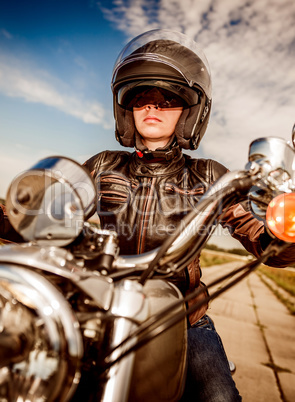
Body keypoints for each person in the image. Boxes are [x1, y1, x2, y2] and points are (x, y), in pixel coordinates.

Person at [0, 29, 294, 401]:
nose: (152, 107)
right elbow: (43, 219)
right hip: (103, 309)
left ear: (189, 111)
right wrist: (19, 213)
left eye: (168, 98)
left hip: (183, 317)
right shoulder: (103, 164)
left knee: (220, 396)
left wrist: (284, 232)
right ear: (127, 109)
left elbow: (261, 236)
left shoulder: (209, 175)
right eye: (140, 98)